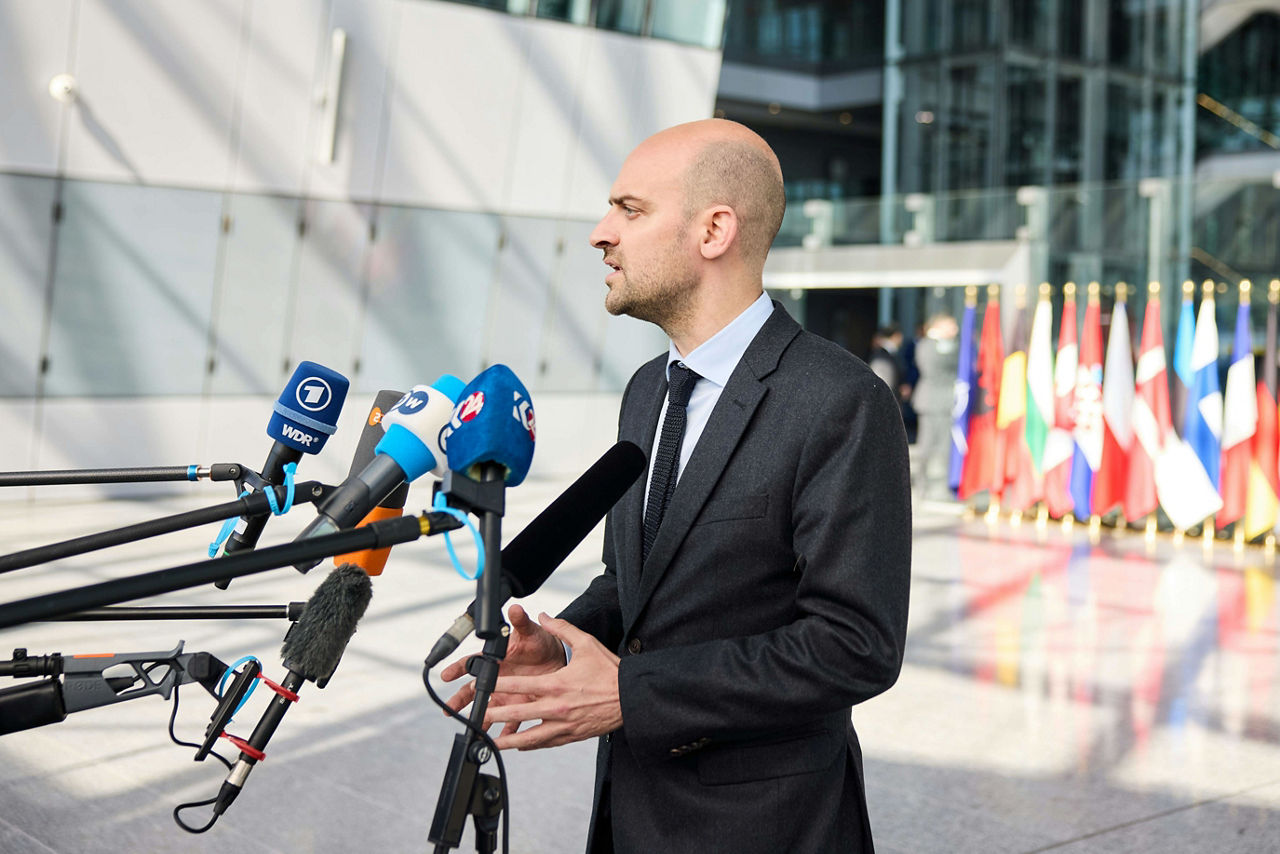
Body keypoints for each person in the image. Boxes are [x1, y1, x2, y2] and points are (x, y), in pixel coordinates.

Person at [443, 119, 911, 854]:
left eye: (630, 210)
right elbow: (632, 583)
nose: (602, 233)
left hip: (767, 829)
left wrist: (632, 693)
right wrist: (563, 641)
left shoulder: (841, 401)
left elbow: (855, 645)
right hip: (627, 815)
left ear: (714, 230)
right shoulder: (645, 392)